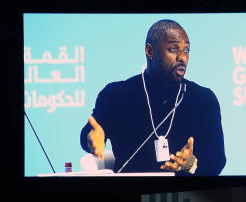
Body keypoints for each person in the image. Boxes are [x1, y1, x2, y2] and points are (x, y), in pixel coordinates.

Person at [80, 19, 225, 175]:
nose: (182, 57)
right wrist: (92, 139)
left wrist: (191, 164)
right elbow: (92, 132)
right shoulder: (117, 95)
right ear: (150, 51)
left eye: (187, 50)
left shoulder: (203, 99)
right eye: (173, 49)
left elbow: (217, 160)